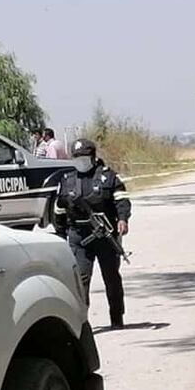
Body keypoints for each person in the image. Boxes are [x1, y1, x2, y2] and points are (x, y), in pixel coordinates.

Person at [54, 138, 131, 328]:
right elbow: (59, 210)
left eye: (84, 157)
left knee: (111, 277)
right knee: (81, 280)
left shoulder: (107, 176)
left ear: (93, 157)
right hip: (79, 237)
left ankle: (116, 317)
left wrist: (122, 219)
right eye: (77, 157)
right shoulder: (66, 181)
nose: (80, 161)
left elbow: (121, 200)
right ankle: (81, 322)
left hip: (105, 236)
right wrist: (60, 234)